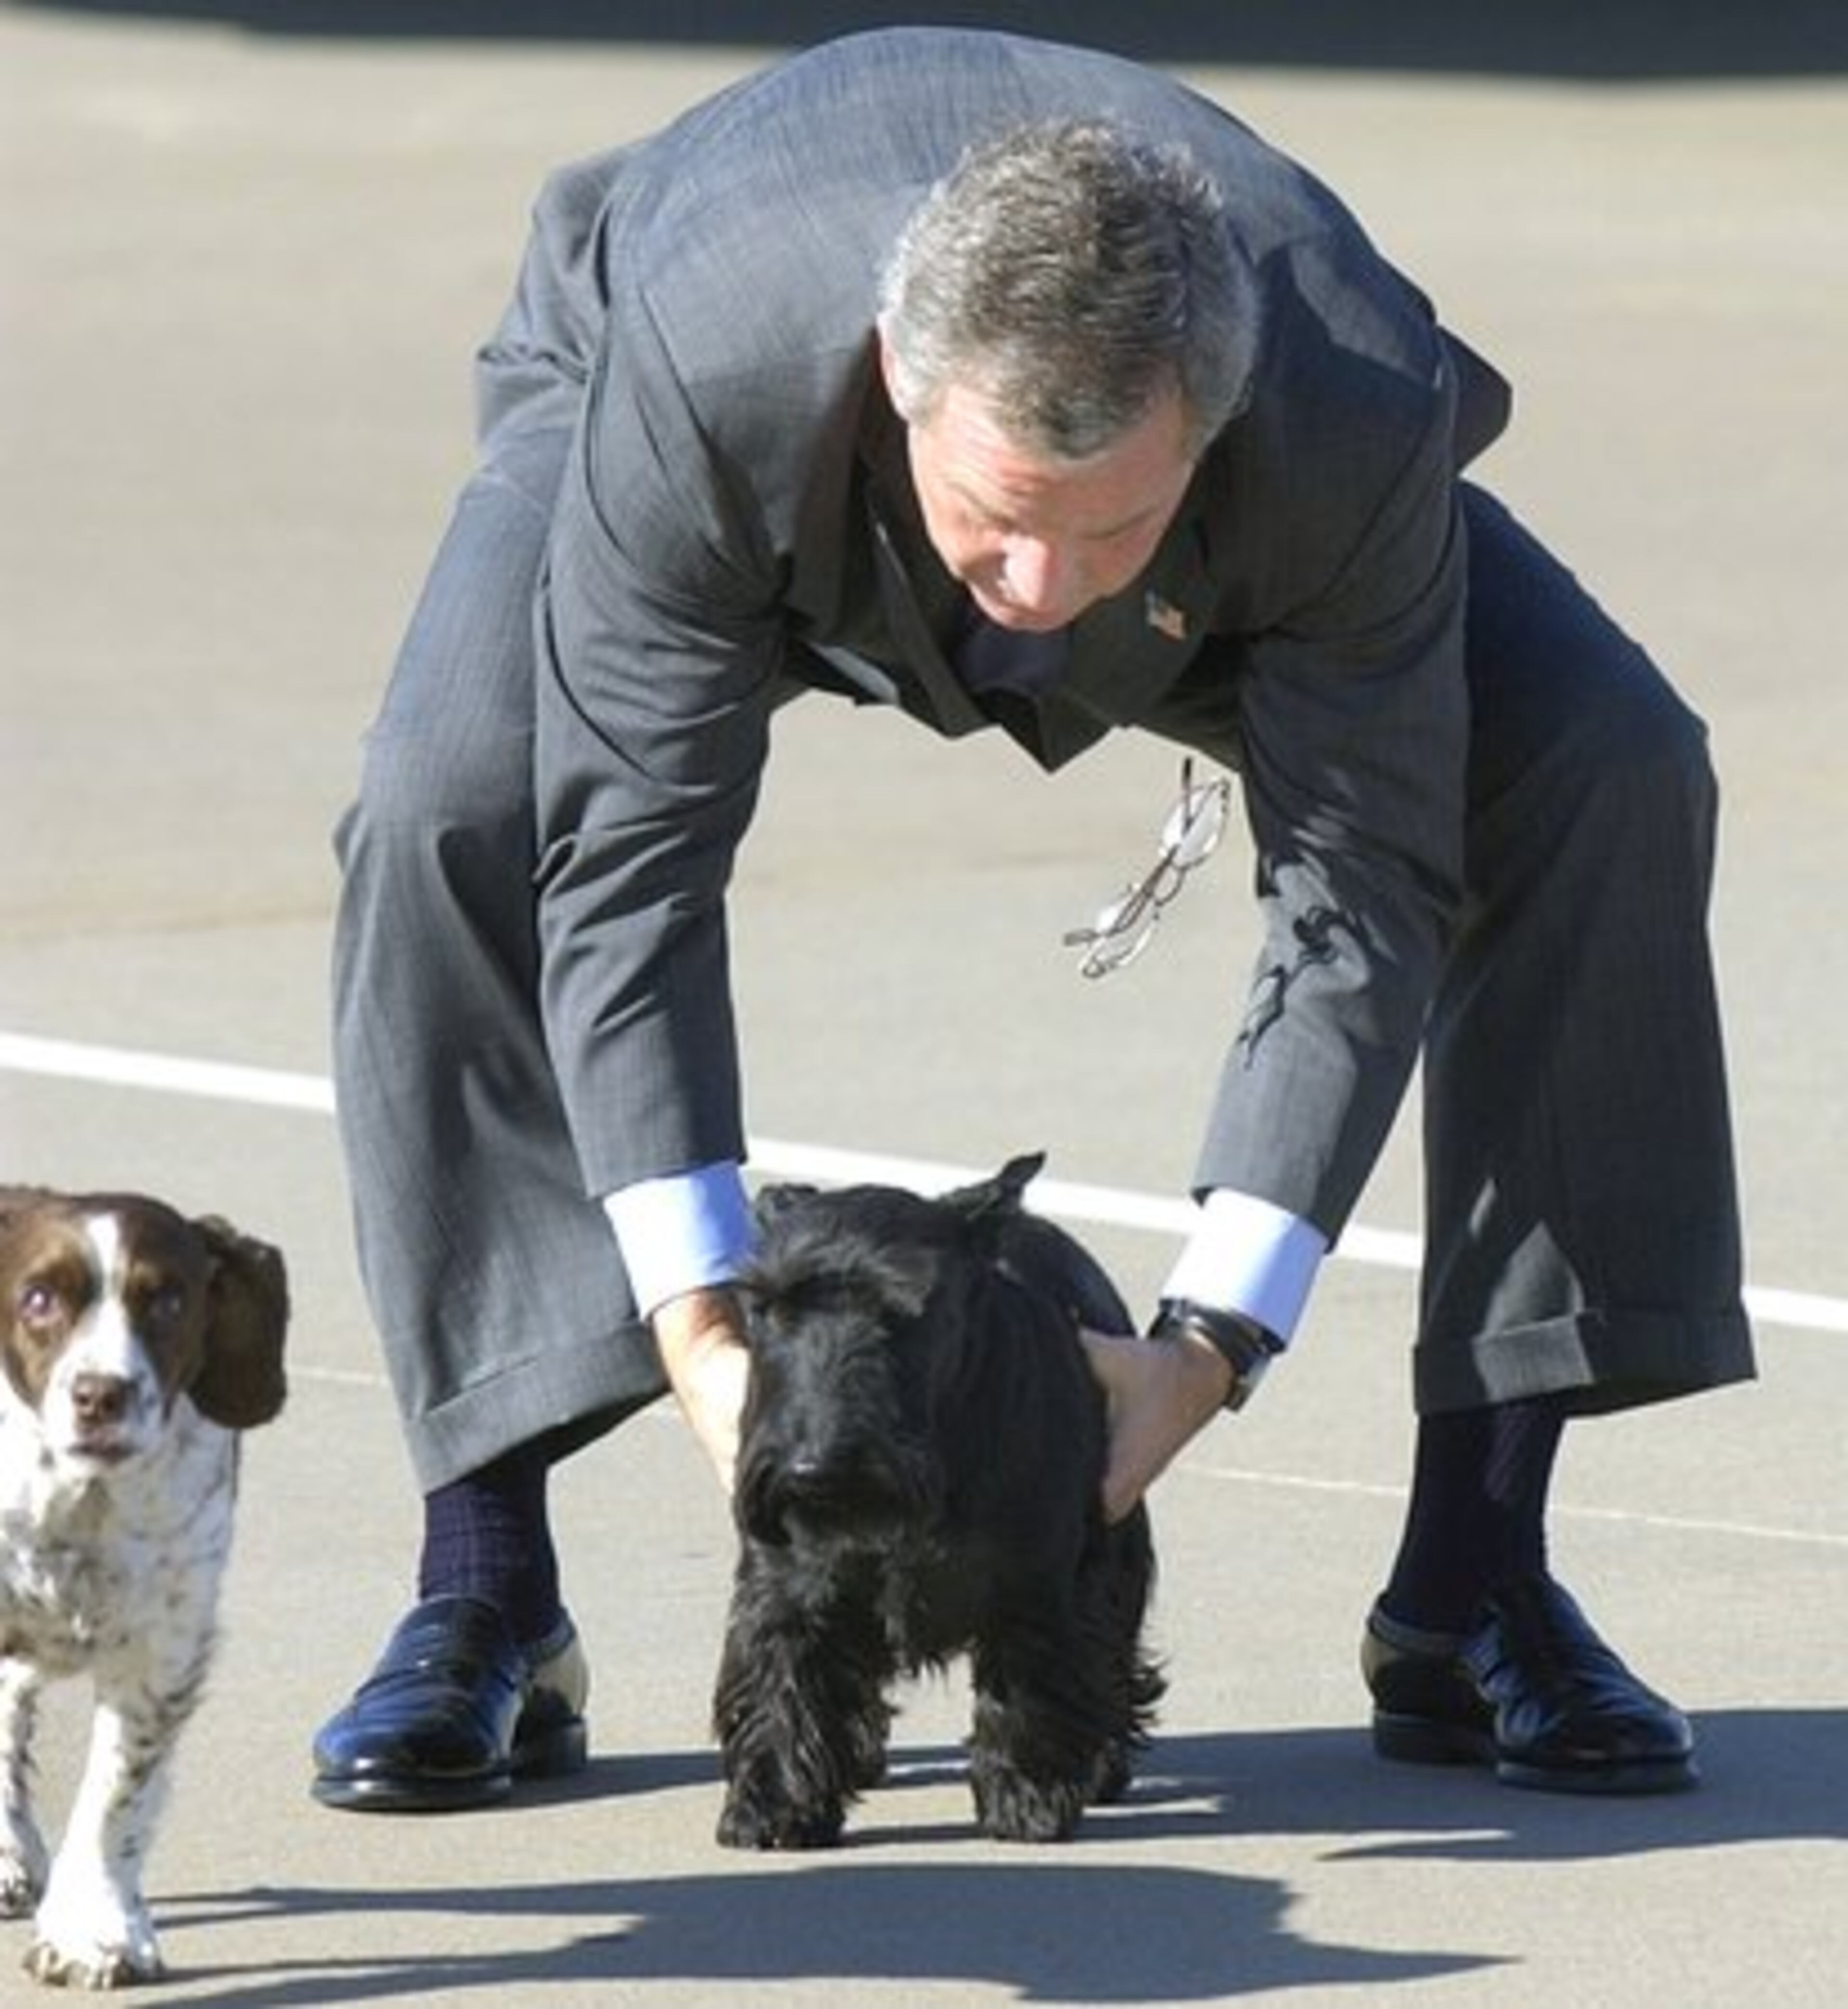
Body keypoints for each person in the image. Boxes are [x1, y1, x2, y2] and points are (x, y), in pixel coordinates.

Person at [312, 26, 1754, 1813]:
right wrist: (703, 1333)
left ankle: (1476, 1581)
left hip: (1246, 520)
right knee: (450, 801)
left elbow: (1363, 885)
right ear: (901, 386)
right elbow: (630, 869)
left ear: (1210, 427)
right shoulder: (710, 373)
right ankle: (486, 1583)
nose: (1046, 597)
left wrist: (1207, 1346)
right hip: (693, 409)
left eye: (1113, 527)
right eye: (1004, 524)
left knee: (1605, 760)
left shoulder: (1352, 405)